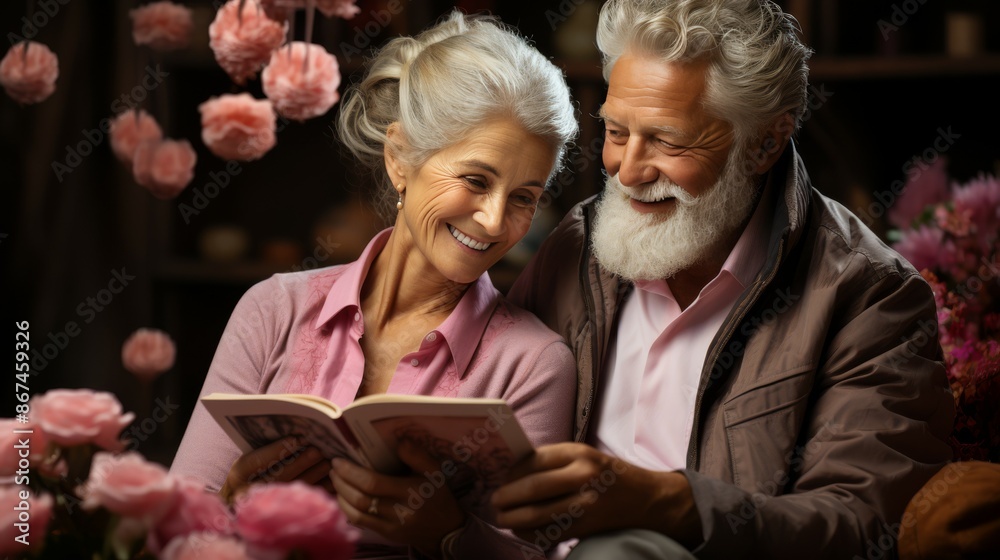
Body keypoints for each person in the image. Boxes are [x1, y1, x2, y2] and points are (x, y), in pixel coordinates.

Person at [491, 0, 956, 558]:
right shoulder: (577, 242)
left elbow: (859, 526)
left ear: (764, 143)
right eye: (616, 131)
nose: (628, 170)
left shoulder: (870, 295)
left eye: (667, 140)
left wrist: (668, 504)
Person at [170, 10, 580, 559]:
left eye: (525, 197)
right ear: (400, 159)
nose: (493, 220)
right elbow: (175, 528)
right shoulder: (272, 309)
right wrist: (232, 507)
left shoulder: (532, 363)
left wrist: (448, 533)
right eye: (476, 180)